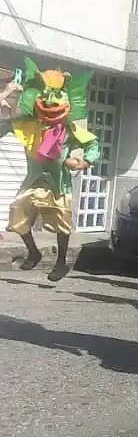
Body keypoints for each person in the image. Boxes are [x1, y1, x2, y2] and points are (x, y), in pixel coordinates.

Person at [0, 59, 100, 282]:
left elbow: (93, 145)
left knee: (62, 222)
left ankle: (61, 262)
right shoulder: (28, 126)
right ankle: (33, 252)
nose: (50, 103)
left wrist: (84, 162)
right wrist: (4, 98)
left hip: (59, 183)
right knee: (17, 212)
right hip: (33, 180)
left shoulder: (70, 131)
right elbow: (3, 126)